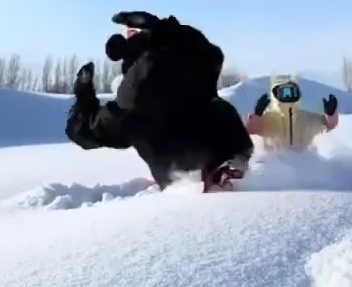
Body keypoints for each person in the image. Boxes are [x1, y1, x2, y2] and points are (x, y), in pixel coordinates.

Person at [65, 11, 253, 192]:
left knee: (134, 122)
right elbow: (211, 55)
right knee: (215, 106)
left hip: (178, 164)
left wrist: (83, 94)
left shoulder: (136, 86)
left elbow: (90, 131)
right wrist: (165, 27)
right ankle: (228, 160)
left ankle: (190, 175)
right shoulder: (192, 64)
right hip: (207, 148)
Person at [245, 75, 339, 150]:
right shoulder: (267, 119)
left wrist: (330, 115)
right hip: (274, 166)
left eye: (292, 91)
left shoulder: (307, 118)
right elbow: (250, 131)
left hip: (303, 165)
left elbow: (328, 125)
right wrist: (257, 116)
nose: (287, 96)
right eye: (283, 92)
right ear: (275, 94)